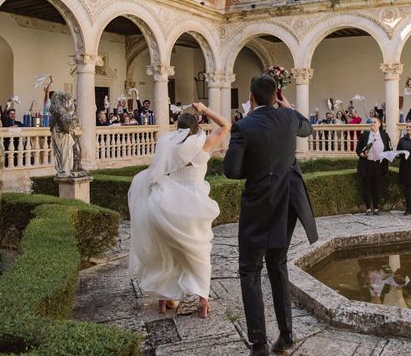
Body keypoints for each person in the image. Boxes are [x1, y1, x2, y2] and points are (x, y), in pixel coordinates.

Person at [224, 75, 318, 356]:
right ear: (277, 95)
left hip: (260, 203)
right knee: (277, 263)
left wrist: (256, 168)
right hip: (288, 201)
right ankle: (286, 337)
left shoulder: (244, 126)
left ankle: (258, 345)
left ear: (251, 98)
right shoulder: (289, 119)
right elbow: (308, 128)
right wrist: (287, 106)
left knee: (250, 270)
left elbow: (231, 171)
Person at [128, 102, 231, 319]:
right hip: (194, 204)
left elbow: (156, 172)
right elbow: (226, 125)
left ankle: (164, 301)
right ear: (196, 126)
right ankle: (203, 302)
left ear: (178, 128)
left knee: (168, 252)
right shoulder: (204, 144)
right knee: (200, 252)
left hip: (167, 203)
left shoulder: (167, 145)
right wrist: (204, 109)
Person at [356, 116, 392, 215]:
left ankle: (376, 208)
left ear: (379, 124)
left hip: (379, 165)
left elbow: (389, 148)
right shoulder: (364, 135)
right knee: (366, 186)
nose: (372, 124)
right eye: (371, 122)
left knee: (377, 187)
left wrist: (388, 154)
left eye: (374, 122)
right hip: (367, 164)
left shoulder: (385, 136)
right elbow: (358, 150)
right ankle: (368, 208)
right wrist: (363, 154)